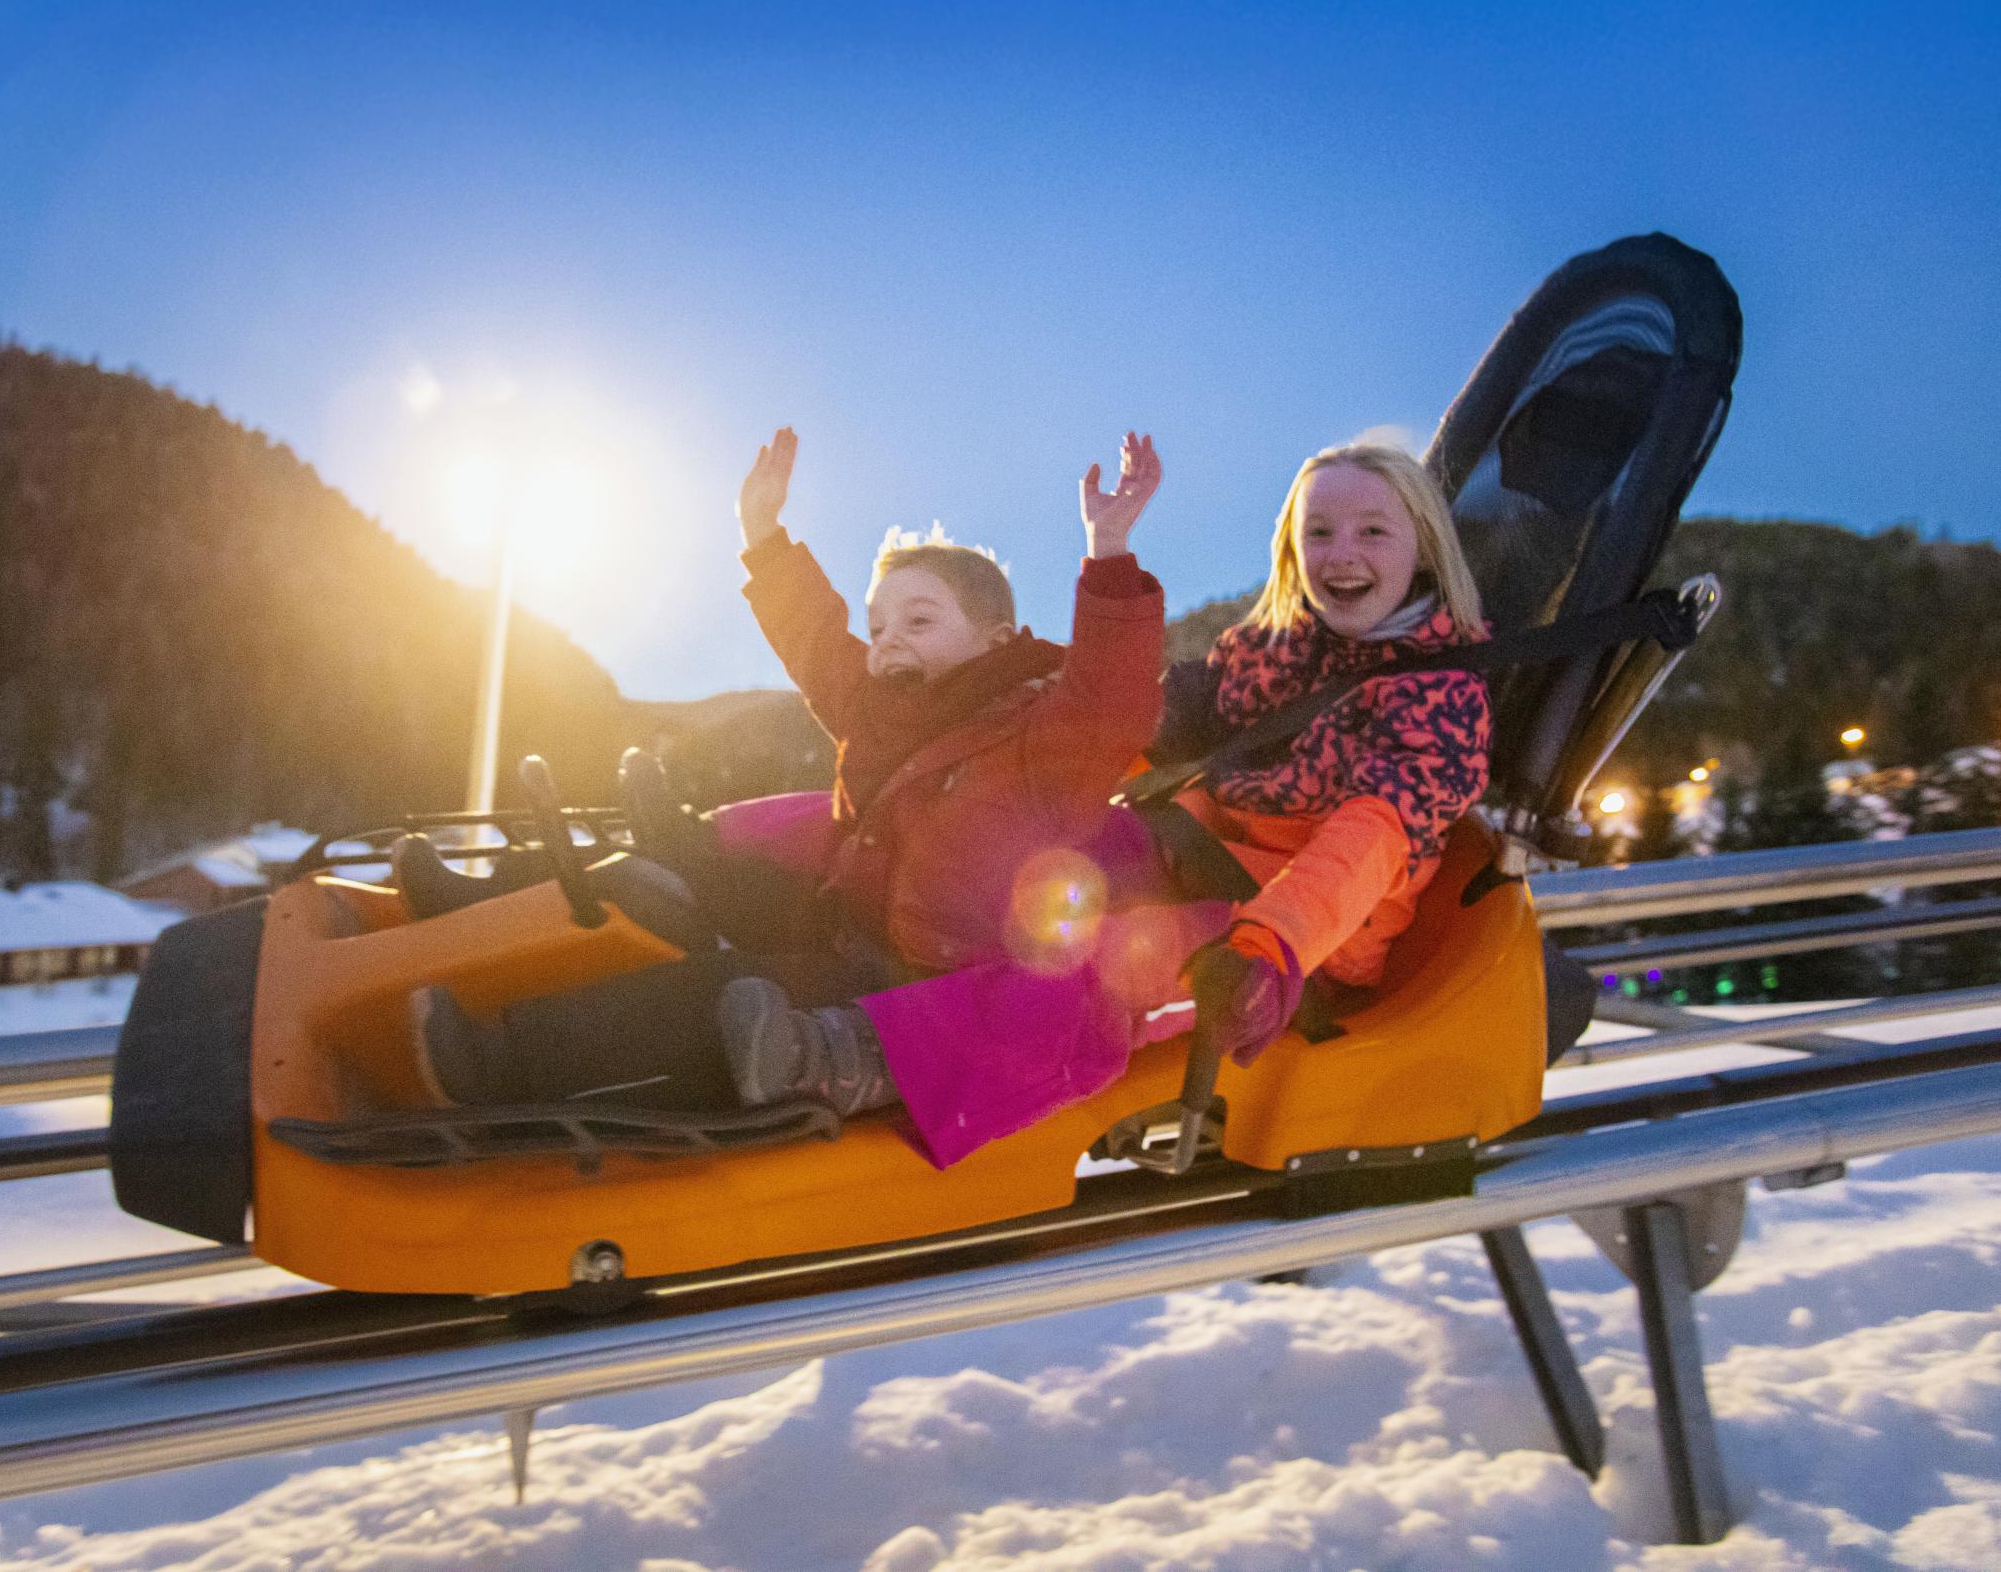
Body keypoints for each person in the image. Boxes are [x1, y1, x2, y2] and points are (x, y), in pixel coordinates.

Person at [412, 425, 1169, 1116]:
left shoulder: (1041, 739)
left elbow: (1111, 704)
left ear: (998, 639)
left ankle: (500, 1060)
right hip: (844, 924)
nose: (885, 643)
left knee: (709, 993)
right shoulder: (884, 710)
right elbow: (815, 642)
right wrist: (762, 535)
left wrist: (1108, 554)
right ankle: (481, 893)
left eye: (919, 621)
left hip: (914, 991)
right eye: (877, 626)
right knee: (691, 868)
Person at [859, 437, 1494, 1168]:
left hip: (1303, 935)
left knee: (1115, 960)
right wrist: (1032, 770)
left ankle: (870, 1055)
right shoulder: (1270, 652)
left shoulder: (1439, 696)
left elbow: (1367, 842)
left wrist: (1270, 946)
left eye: (1373, 531)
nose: (1341, 552)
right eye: (1318, 531)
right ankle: (909, 974)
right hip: (1201, 854)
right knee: (1035, 862)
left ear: (1422, 549)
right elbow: (1140, 729)